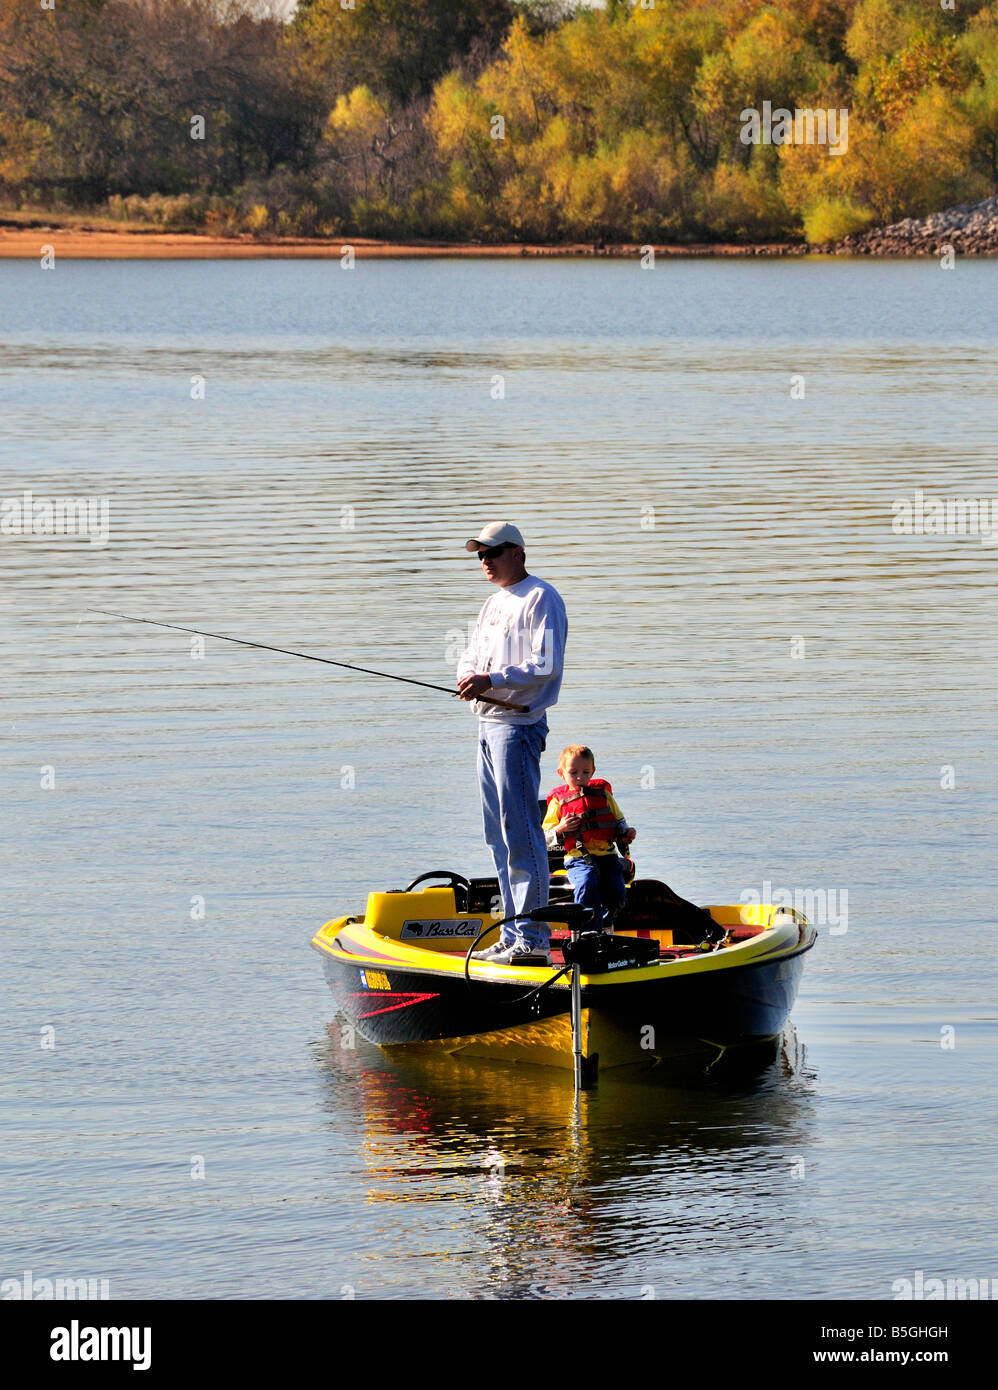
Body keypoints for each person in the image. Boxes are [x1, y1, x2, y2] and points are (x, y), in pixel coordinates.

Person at [456, 522, 567, 966]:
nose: (486, 560)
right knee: (497, 834)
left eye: (494, 552)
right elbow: (471, 654)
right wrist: (467, 677)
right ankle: (512, 932)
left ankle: (534, 938)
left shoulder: (541, 597)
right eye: (480, 554)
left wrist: (493, 679)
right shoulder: (492, 603)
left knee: (521, 831)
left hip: (517, 726)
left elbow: (545, 664)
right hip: (486, 723)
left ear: (518, 553)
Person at [542, 745, 636, 932]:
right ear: (561, 773)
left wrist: (626, 831)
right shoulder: (558, 802)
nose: (580, 777)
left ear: (592, 772)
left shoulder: (604, 795)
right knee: (586, 883)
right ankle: (587, 931)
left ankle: (607, 925)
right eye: (573, 772)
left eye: (585, 772)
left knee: (618, 893)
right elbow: (544, 837)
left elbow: (619, 821)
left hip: (608, 857)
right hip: (578, 858)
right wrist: (560, 829)